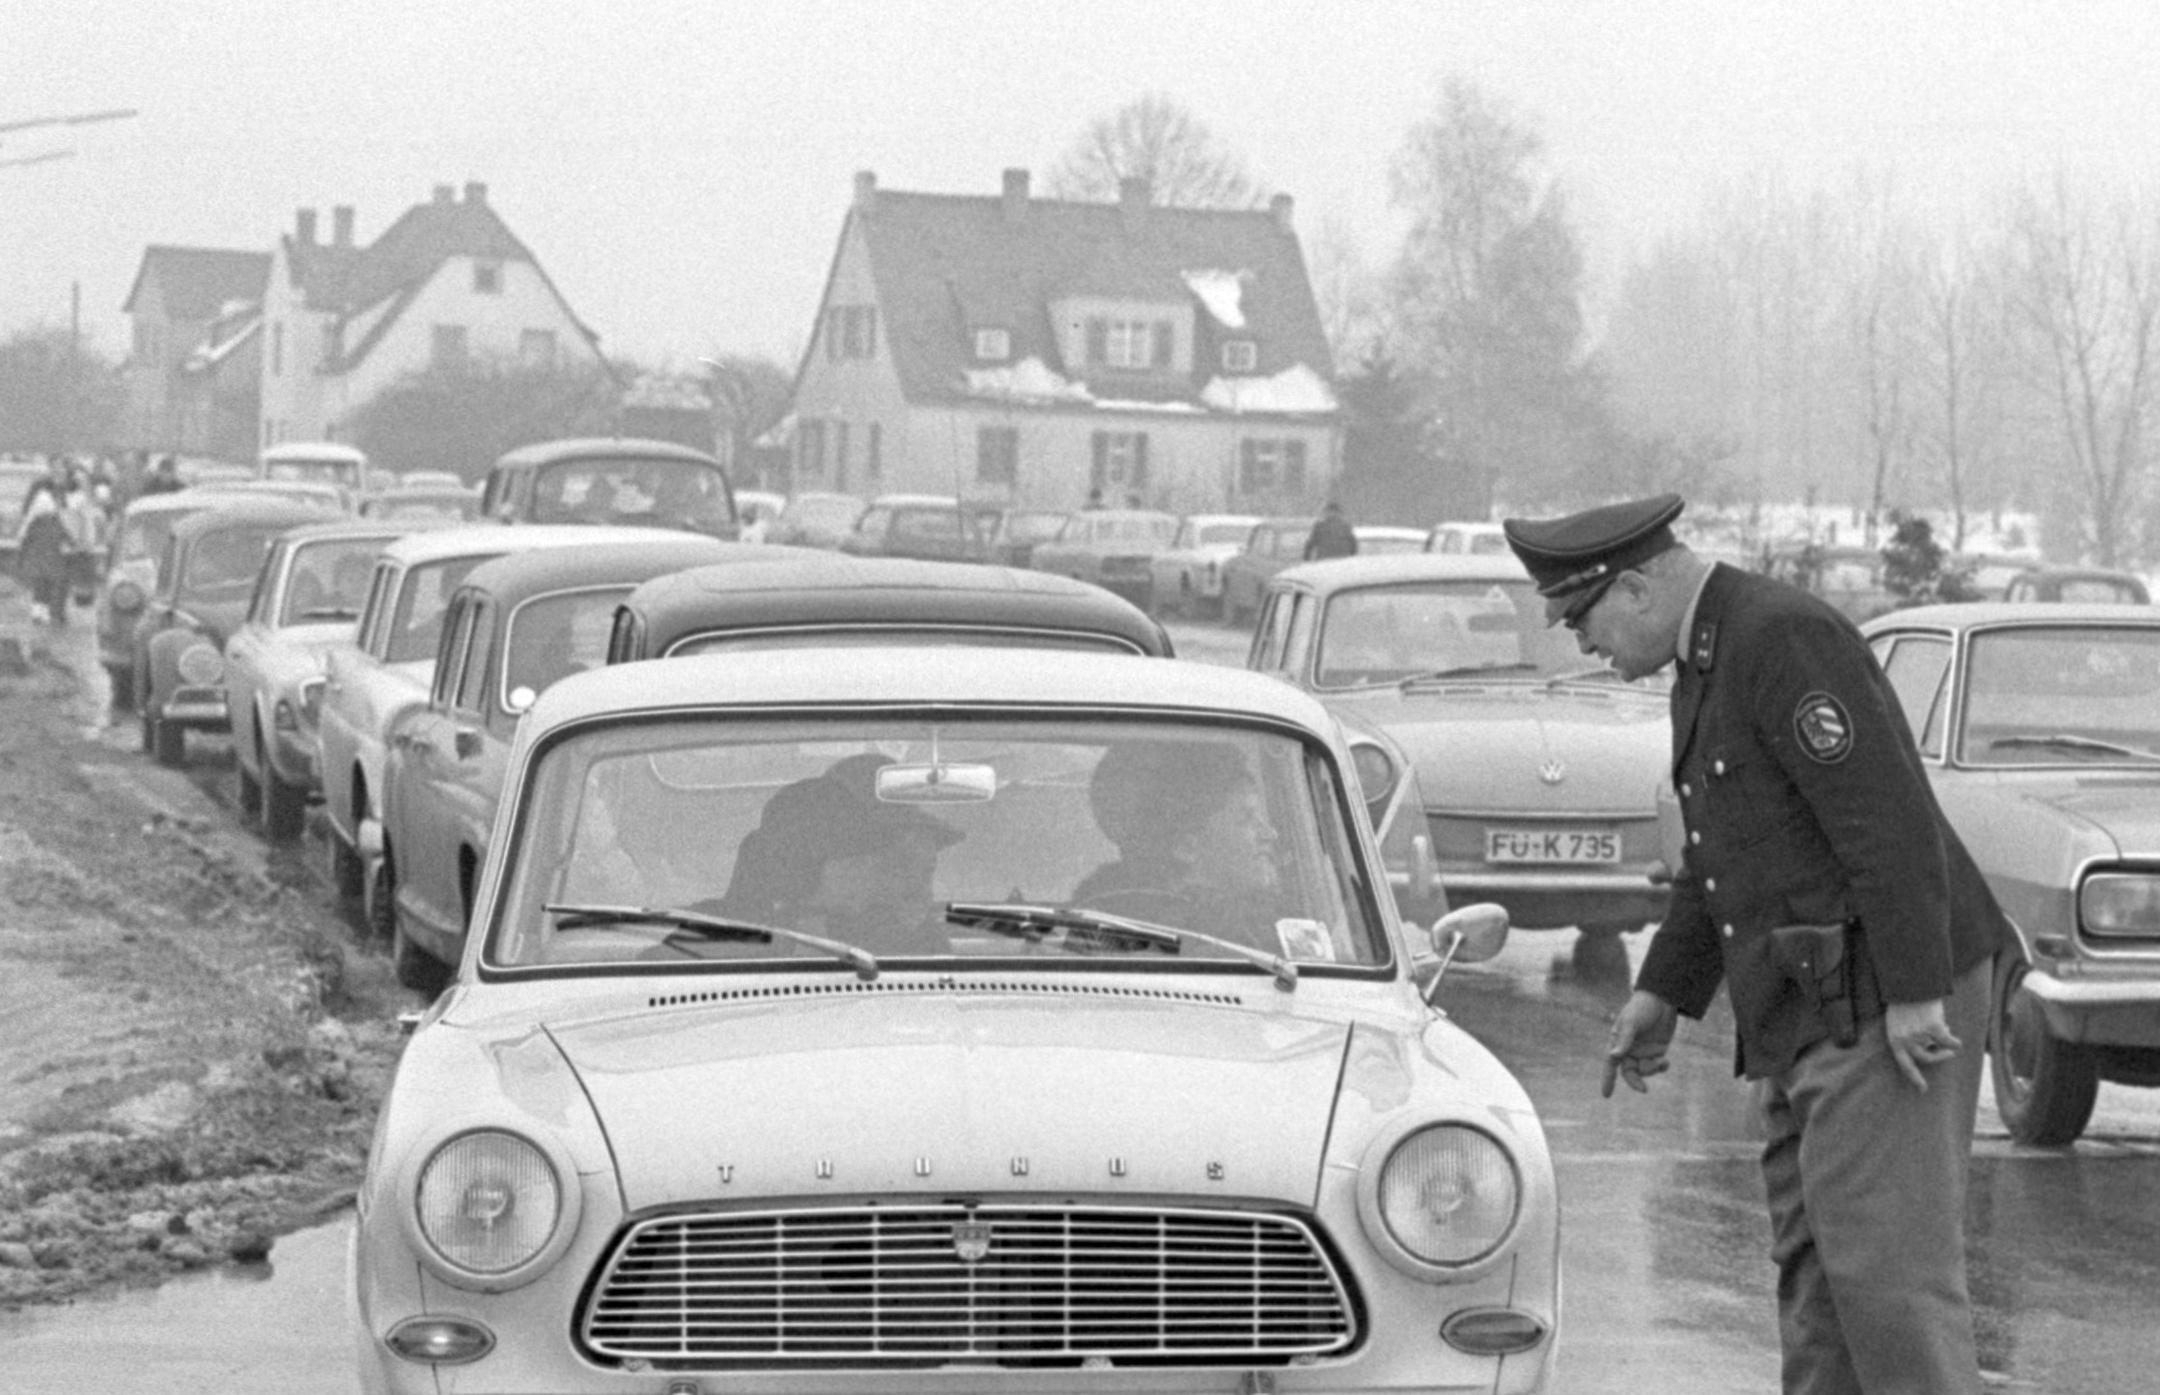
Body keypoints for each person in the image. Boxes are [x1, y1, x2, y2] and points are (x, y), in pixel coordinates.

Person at [1502, 493, 2010, 1395]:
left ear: (1636, 586)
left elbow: (1885, 819)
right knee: (1817, 1280)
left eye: (1581, 618)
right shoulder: (1706, 659)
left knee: (1890, 1285)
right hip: (1810, 1002)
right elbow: (1721, 849)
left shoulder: (1780, 638)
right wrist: (1663, 989)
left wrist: (1916, 992)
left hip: (1881, 993)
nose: (1582, 644)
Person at [715, 753, 961, 955]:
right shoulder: (713, 942)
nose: (922, 892)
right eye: (894, 866)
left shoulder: (921, 941)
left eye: (927, 870)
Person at [1074, 740, 1282, 941]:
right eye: (1246, 818)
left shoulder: (1089, 921)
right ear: (1187, 847)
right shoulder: (1219, 941)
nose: (1269, 833)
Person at [12, 468, 71, 625]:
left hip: (39, 548)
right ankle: (47, 614)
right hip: (49, 548)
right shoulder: (47, 502)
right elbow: (60, 524)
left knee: (41, 582)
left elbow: (27, 526)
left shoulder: (39, 501)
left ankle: (39, 613)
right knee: (52, 581)